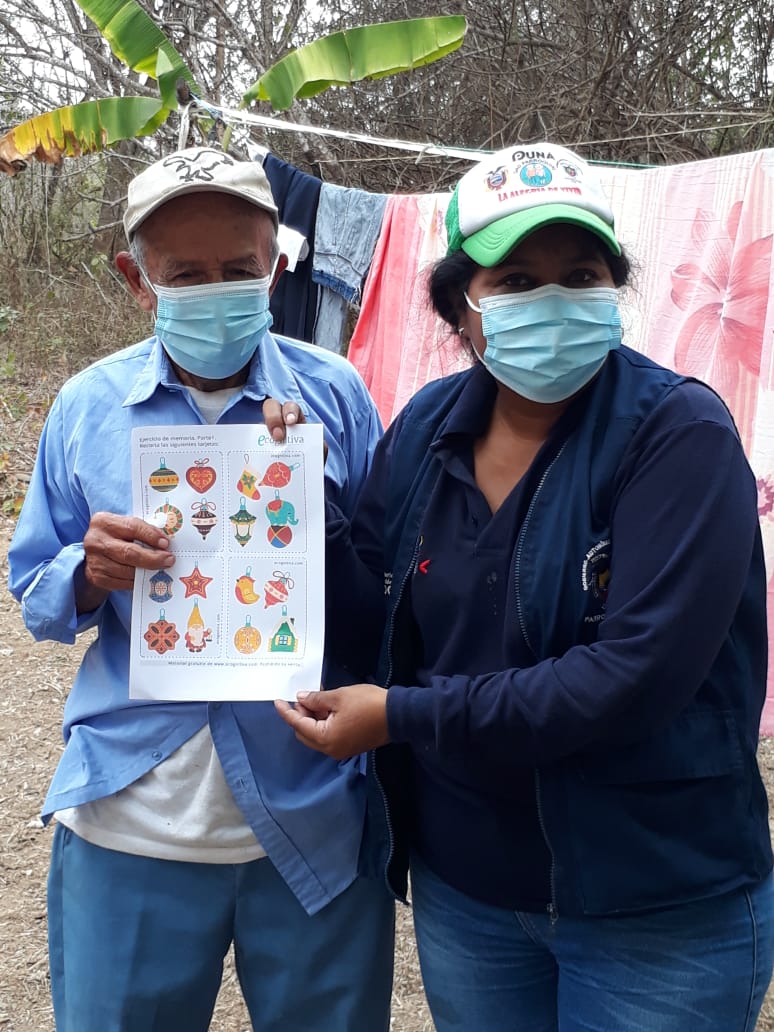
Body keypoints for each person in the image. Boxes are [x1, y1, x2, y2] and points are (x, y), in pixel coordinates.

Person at [276, 141, 774, 1031]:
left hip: (655, 905)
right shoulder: (426, 427)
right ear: (459, 308)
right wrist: (287, 491)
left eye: (580, 275)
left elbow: (632, 678)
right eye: (514, 281)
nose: (552, 301)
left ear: (613, 290)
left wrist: (401, 716)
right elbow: (369, 620)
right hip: (470, 896)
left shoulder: (678, 435)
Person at [8, 145, 394, 1032]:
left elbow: (387, 587)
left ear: (277, 269)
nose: (216, 291)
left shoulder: (335, 396)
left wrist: (315, 504)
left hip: (313, 816)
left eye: (239, 270)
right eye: (186, 274)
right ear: (137, 281)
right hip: (129, 818)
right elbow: (35, 590)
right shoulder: (87, 407)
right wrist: (88, 574)